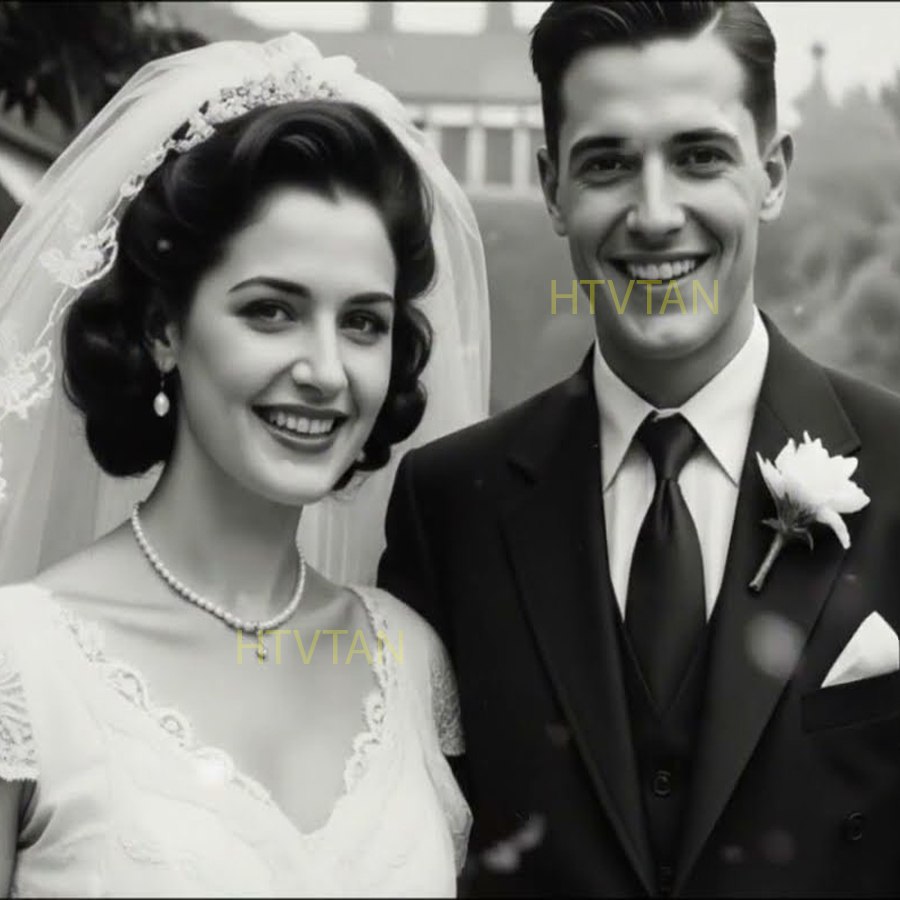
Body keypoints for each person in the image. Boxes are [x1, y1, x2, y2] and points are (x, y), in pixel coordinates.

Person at [378, 2, 900, 896]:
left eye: (699, 156)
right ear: (552, 188)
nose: (655, 215)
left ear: (772, 173)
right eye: (609, 164)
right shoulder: (449, 505)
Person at [0, 33, 490, 896]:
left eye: (364, 323)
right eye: (271, 311)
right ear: (163, 329)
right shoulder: (23, 666)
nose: (326, 371)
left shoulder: (414, 664)